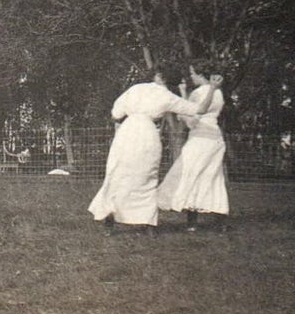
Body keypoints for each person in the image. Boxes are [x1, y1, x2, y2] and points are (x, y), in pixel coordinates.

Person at [88, 66, 199, 234]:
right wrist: (212, 89)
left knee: (118, 173)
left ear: (157, 76)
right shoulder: (167, 96)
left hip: (127, 132)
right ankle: (149, 224)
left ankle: (109, 219)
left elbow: (116, 112)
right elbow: (196, 109)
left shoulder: (135, 88)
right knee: (146, 176)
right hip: (147, 134)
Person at [158, 65, 229, 231]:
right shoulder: (218, 92)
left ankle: (192, 223)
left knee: (189, 174)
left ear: (200, 75)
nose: (191, 77)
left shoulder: (198, 93)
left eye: (192, 73)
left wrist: (181, 107)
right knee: (212, 177)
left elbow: (190, 120)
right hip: (215, 138)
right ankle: (221, 221)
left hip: (200, 137)